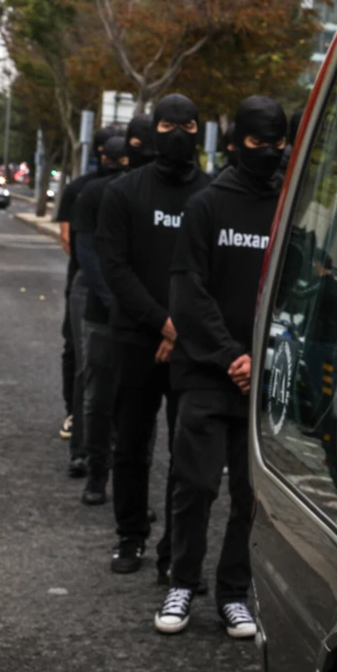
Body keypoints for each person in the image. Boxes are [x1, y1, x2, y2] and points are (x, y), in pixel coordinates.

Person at [155, 95, 286, 638]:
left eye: (279, 144)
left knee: (249, 498)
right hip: (208, 373)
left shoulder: (287, 206)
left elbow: (291, 288)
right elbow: (188, 293)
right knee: (196, 484)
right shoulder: (208, 205)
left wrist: (263, 358)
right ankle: (182, 583)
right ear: (236, 143)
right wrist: (232, 356)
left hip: (262, 380)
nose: (270, 154)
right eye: (259, 144)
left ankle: (234, 592)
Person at [98, 95, 211, 576]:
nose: (179, 133)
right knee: (131, 445)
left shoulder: (211, 195)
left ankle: (176, 554)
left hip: (191, 344)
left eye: (189, 124)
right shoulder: (123, 193)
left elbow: (214, 272)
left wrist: (180, 326)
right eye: (169, 124)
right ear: (154, 129)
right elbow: (115, 269)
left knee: (187, 454)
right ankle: (130, 535)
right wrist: (161, 321)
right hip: (135, 337)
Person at [75, 119, 155, 505]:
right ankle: (96, 474)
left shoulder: (161, 196)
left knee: (140, 411)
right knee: (99, 399)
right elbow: (90, 254)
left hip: (144, 322)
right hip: (104, 314)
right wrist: (115, 301)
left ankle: (133, 492)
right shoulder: (97, 193)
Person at [57, 125, 122, 475]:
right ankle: (79, 430)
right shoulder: (81, 190)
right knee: (81, 359)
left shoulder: (126, 189)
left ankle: (102, 439)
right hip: (85, 287)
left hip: (108, 291)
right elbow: (73, 241)